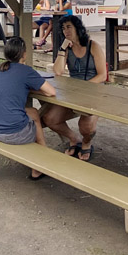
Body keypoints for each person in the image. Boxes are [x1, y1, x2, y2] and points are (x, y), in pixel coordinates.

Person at [0, 37, 57, 180]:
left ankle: (42, 158)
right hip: (12, 133)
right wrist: (37, 90)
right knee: (35, 118)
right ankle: (40, 163)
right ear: (24, 53)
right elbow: (51, 92)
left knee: (33, 113)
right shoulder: (26, 71)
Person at [42, 14, 105, 160]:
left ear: (78, 28)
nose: (66, 31)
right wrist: (62, 48)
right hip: (73, 92)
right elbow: (58, 71)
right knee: (50, 118)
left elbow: (102, 75)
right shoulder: (67, 49)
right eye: (63, 28)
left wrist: (83, 88)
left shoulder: (92, 46)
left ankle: (86, 142)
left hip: (93, 91)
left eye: (69, 27)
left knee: (86, 126)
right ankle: (74, 139)